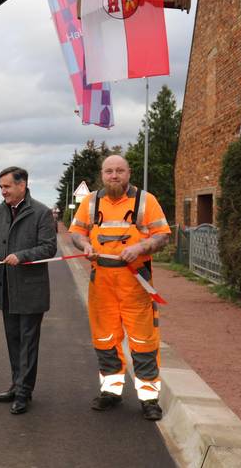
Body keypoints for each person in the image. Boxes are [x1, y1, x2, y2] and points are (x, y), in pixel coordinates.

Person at [69, 155, 170, 421]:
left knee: (143, 342)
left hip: (135, 282)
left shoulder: (146, 201)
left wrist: (139, 247)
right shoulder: (90, 202)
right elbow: (76, 234)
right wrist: (85, 246)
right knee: (104, 340)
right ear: (102, 174)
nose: (114, 176)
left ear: (129, 173)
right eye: (109, 171)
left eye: (120, 171)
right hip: (101, 282)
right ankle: (111, 392)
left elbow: (163, 235)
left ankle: (149, 399)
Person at [0, 167, 57, 414]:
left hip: (30, 289)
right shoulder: (1, 211)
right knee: (13, 340)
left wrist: (22, 256)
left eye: (7, 186)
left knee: (28, 342)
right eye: (1, 187)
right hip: (6, 287)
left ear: (22, 185)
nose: (3, 191)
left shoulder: (42, 213)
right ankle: (16, 384)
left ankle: (24, 392)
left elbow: (48, 248)